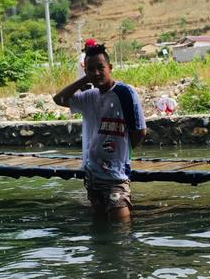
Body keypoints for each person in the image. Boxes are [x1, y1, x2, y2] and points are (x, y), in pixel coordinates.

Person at [53, 39, 147, 221]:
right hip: (93, 175)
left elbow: (140, 131)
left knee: (121, 229)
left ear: (110, 67)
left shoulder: (125, 93)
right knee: (100, 225)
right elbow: (59, 99)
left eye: (100, 67)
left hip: (116, 177)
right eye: (90, 69)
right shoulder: (89, 97)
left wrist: (122, 154)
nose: (96, 73)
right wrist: (85, 78)